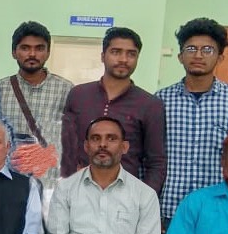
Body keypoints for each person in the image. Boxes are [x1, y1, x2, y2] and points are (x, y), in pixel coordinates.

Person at [156, 18, 228, 228]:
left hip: (220, 210)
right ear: (180, 56)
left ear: (220, 57)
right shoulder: (160, 100)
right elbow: (152, 156)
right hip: (170, 209)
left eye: (207, 50)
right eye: (191, 49)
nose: (198, 55)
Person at [61, 27, 166, 194]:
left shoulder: (150, 104)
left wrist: (143, 200)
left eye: (131, 54)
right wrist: (66, 186)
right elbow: (65, 148)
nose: (123, 59)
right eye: (116, 52)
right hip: (78, 193)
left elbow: (156, 162)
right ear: (103, 56)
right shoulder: (79, 95)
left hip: (125, 197)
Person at [48, 117, 161, 234]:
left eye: (111, 139)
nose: (102, 144)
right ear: (86, 146)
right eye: (96, 138)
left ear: (124, 147)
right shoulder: (65, 189)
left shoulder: (145, 195)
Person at [0, 21, 72, 189]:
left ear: (47, 52)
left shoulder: (66, 90)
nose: (32, 54)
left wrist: (47, 156)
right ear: (14, 52)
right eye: (25, 48)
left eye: (39, 48)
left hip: (51, 185)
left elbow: (73, 141)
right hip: (7, 184)